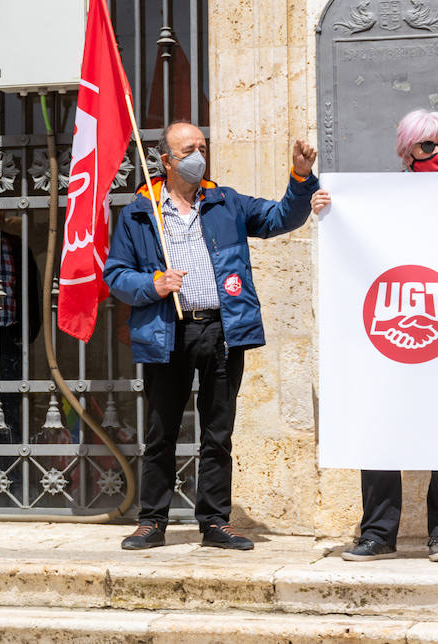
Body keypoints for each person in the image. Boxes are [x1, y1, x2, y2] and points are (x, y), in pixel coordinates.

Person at [105, 121, 319, 551]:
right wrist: (154, 285)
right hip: (167, 330)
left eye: (202, 147)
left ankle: (215, 522)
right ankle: (152, 521)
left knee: (218, 432)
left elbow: (281, 218)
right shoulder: (139, 213)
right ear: (166, 160)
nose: (198, 155)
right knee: (161, 431)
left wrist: (299, 179)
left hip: (221, 329)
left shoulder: (227, 202)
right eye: (188, 149)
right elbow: (116, 275)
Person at [316, 108, 438, 563]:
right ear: (407, 151)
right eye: (428, 146)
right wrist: (329, 210)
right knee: (380, 428)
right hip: (391, 334)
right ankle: (378, 534)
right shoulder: (375, 200)